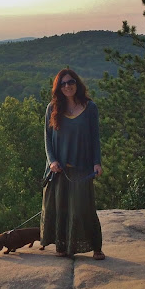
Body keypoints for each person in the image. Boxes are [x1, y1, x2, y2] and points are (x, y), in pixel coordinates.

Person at [40, 68, 104, 259]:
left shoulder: (90, 107)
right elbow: (47, 138)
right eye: (63, 83)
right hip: (59, 169)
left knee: (84, 208)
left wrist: (97, 163)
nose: (68, 86)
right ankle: (62, 246)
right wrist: (52, 162)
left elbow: (95, 138)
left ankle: (96, 247)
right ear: (58, 87)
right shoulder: (52, 108)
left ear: (77, 83)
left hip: (82, 168)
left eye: (71, 82)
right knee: (60, 209)